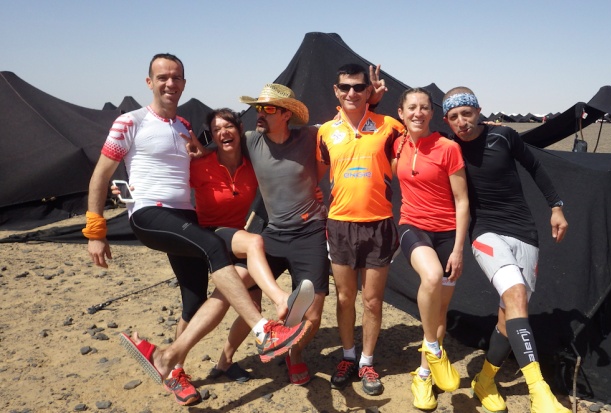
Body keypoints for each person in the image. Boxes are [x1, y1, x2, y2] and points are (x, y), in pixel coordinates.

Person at [84, 53, 311, 406]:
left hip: (184, 221)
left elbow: (200, 159)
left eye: (176, 77)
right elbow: (100, 174)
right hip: (150, 213)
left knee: (193, 301)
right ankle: (263, 329)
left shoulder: (183, 127)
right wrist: (96, 230)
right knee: (213, 247)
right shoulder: (130, 122)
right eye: (162, 77)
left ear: (184, 83)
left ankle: (170, 364)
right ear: (149, 82)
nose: (170, 83)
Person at [442, 87, 571, 413]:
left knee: (510, 313)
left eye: (466, 113)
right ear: (447, 121)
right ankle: (539, 392)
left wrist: (556, 207)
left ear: (478, 111)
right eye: (454, 117)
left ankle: (484, 380)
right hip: (485, 232)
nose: (462, 121)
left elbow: (535, 167)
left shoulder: (504, 136)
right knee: (515, 294)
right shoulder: (449, 148)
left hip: (524, 232)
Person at [317, 63, 405, 396]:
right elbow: (316, 172)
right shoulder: (325, 131)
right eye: (345, 87)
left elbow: (418, 147)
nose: (351, 92)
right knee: (344, 298)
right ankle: (348, 357)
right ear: (336, 90)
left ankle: (367, 361)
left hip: (378, 223)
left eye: (358, 87)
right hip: (340, 224)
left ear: (369, 90)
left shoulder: (390, 126)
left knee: (372, 300)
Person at [235, 83, 331, 385]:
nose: (260, 114)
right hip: (273, 233)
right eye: (258, 108)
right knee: (233, 284)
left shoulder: (311, 136)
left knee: (313, 311)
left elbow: (346, 133)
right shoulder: (250, 140)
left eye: (268, 109)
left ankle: (295, 353)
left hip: (310, 232)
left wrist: (374, 104)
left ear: (287, 114)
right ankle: (224, 358)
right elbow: (215, 148)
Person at [392, 88, 469, 410]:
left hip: (448, 233)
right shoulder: (396, 144)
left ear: (432, 113)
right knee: (432, 276)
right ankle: (435, 349)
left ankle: (423, 374)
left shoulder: (448, 148)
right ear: (401, 113)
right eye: (412, 107)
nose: (418, 113)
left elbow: (462, 201)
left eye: (424, 107)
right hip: (413, 226)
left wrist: (459, 249)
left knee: (439, 310)